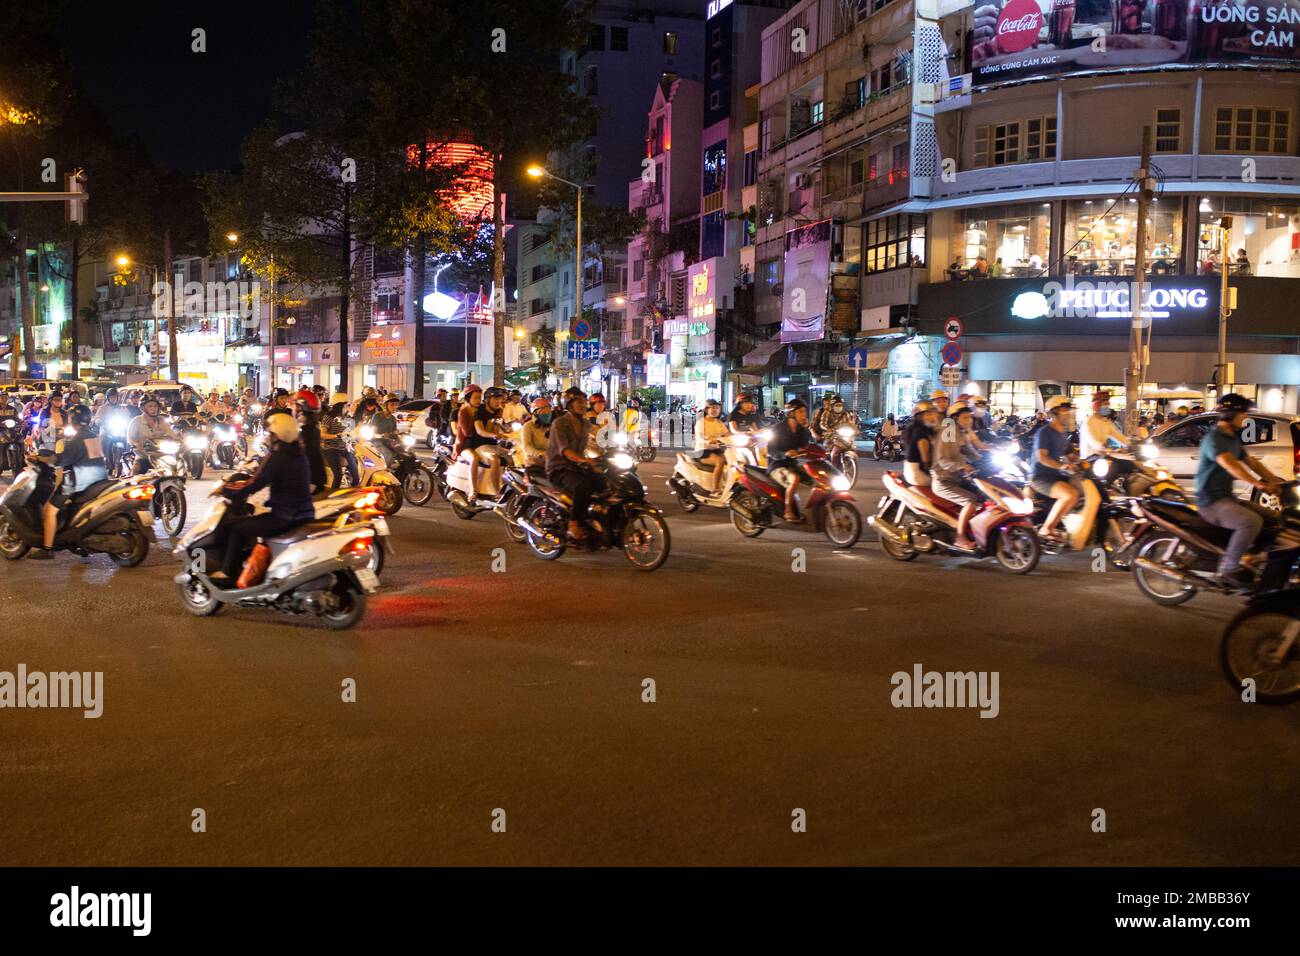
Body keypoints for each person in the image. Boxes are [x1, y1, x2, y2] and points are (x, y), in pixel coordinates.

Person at [207, 414, 314, 587]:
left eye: (270, 433)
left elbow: (254, 484)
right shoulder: (299, 455)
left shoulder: (278, 456)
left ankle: (226, 572)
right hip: (304, 514)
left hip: (283, 516)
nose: (268, 437)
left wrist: (225, 489)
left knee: (236, 527)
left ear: (276, 435)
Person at [1195, 393, 1285, 588]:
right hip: (1211, 503)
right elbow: (1230, 465)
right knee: (1250, 521)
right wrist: (1260, 485)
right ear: (1229, 415)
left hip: (1227, 498)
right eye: (1243, 414)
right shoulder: (1215, 439)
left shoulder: (1232, 438)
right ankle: (1228, 569)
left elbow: (1251, 462)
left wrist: (1276, 480)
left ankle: (1251, 558)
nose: (1246, 417)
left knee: (1273, 518)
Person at [25, 404, 109, 559]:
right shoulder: (93, 435)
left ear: (73, 420)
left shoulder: (76, 440)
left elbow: (60, 460)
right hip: (99, 480)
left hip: (79, 482)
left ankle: (47, 548)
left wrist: (40, 458)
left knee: (50, 510)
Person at [546, 389, 600, 542]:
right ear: (569, 405)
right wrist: (584, 461)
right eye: (579, 402)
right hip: (559, 468)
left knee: (603, 481)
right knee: (582, 486)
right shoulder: (559, 423)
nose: (583, 405)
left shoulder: (586, 424)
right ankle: (574, 523)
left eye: (584, 402)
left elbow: (596, 440)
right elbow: (566, 451)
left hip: (577, 466)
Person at [931, 403, 981, 551]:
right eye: (965, 417)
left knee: (984, 496)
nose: (969, 420)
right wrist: (961, 466)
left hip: (958, 477)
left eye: (970, 417)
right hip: (943, 479)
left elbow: (969, 450)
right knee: (970, 501)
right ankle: (960, 538)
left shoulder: (961, 432)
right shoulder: (948, 431)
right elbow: (942, 460)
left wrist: (984, 456)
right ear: (955, 418)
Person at [1031, 396, 1079, 543]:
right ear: (1054, 413)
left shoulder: (1063, 433)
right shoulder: (1044, 432)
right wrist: (1062, 466)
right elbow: (1042, 457)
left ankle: (1065, 525)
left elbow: (1071, 455)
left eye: (1069, 410)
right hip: (1040, 477)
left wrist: (1087, 460)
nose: (1068, 413)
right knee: (1070, 494)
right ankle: (1047, 528)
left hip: (1056, 475)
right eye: (1065, 410)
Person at [767, 399, 815, 523]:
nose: (803, 414)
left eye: (804, 411)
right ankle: (788, 511)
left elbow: (806, 445)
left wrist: (806, 428)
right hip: (777, 465)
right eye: (800, 411)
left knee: (816, 480)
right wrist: (785, 454)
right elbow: (771, 451)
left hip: (792, 464)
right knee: (794, 479)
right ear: (792, 413)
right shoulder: (778, 428)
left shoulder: (801, 429)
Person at [126, 396, 178, 475]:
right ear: (143, 408)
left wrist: (177, 440)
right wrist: (137, 444)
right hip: (143, 456)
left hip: (162, 455)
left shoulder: (162, 420)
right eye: (150, 406)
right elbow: (130, 439)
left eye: (155, 406)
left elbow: (172, 434)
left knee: (176, 472)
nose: (153, 408)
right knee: (136, 472)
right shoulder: (136, 421)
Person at [321, 393, 358, 491]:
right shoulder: (328, 417)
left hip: (344, 448)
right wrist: (336, 435)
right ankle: (332, 498)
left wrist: (353, 435)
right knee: (338, 475)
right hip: (331, 449)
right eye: (346, 405)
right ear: (339, 405)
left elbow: (349, 432)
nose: (348, 407)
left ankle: (351, 496)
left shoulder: (346, 418)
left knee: (356, 475)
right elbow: (322, 434)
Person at [693, 399, 730, 492]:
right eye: (712, 408)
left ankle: (727, 485)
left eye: (717, 408)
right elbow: (700, 436)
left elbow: (728, 435)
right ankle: (716, 488)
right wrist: (709, 440)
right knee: (720, 462)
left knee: (734, 461)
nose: (715, 410)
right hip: (703, 450)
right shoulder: (701, 422)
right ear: (707, 409)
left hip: (717, 450)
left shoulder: (719, 423)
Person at [1078, 389, 1127, 459]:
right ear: (1097, 405)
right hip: (1090, 459)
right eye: (1104, 404)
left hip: (1103, 456)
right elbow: (1093, 441)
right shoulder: (1089, 421)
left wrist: (1130, 445)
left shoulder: (1106, 422)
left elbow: (1118, 436)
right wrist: (1106, 448)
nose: (1107, 406)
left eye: (1108, 404)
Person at [295, 389, 327, 493]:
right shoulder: (312, 426)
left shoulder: (305, 429)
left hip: (310, 477)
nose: (294, 409)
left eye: (296, 406)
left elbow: (303, 452)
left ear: (301, 407)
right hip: (315, 476)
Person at [903, 400, 940, 487]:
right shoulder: (922, 431)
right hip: (919, 474)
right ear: (920, 416)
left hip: (910, 471)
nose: (933, 417)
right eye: (929, 414)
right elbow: (925, 458)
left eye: (933, 413)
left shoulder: (914, 428)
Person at [518, 396, 553, 471]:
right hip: (535, 463)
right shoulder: (528, 426)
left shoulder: (553, 426)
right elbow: (527, 447)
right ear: (535, 413)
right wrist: (540, 453)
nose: (547, 414)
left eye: (549, 412)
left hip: (552, 462)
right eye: (543, 412)